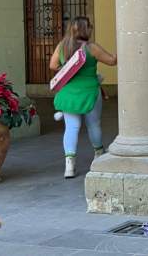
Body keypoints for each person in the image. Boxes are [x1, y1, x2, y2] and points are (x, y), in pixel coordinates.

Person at [49, 16, 117, 178]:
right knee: (93, 125)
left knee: (71, 128)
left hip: (69, 94)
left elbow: (53, 65)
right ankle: (99, 156)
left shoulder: (62, 46)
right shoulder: (92, 48)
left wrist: (68, 69)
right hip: (89, 93)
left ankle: (69, 166)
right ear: (86, 29)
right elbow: (112, 61)